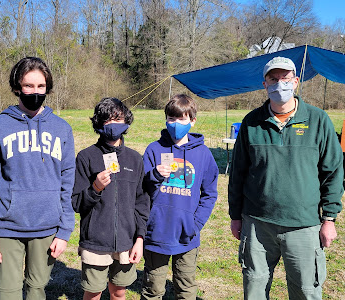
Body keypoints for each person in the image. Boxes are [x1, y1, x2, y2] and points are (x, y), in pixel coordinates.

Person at [228, 56, 344, 299]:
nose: (279, 84)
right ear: (264, 84)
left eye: (285, 78)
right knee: (255, 289)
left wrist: (330, 218)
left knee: (306, 291)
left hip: (304, 225)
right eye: (273, 79)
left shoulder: (318, 120)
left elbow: (333, 172)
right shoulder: (252, 122)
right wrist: (235, 216)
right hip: (257, 224)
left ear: (296, 81)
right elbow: (237, 173)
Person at [0, 57, 76, 300]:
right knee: (6, 292)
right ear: (17, 87)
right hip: (7, 226)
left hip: (47, 227)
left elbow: (67, 182)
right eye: (28, 86)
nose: (35, 92)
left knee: (36, 289)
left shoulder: (62, 128)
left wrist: (64, 231)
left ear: (47, 88)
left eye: (40, 86)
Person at [141, 94, 219, 299]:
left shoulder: (203, 154)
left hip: (187, 235)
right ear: (166, 119)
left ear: (193, 120)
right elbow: (141, 190)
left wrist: (196, 223)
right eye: (171, 119)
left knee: (185, 289)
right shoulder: (153, 149)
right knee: (153, 289)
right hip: (156, 232)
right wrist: (155, 175)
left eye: (182, 119)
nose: (176, 124)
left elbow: (209, 194)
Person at [71, 97, 150, 300]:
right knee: (93, 291)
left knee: (119, 291)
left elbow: (141, 202)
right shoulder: (86, 157)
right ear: (98, 124)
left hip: (127, 241)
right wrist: (95, 187)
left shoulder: (135, 159)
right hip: (95, 242)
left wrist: (139, 238)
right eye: (107, 120)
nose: (113, 125)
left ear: (126, 122)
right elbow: (77, 203)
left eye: (118, 119)